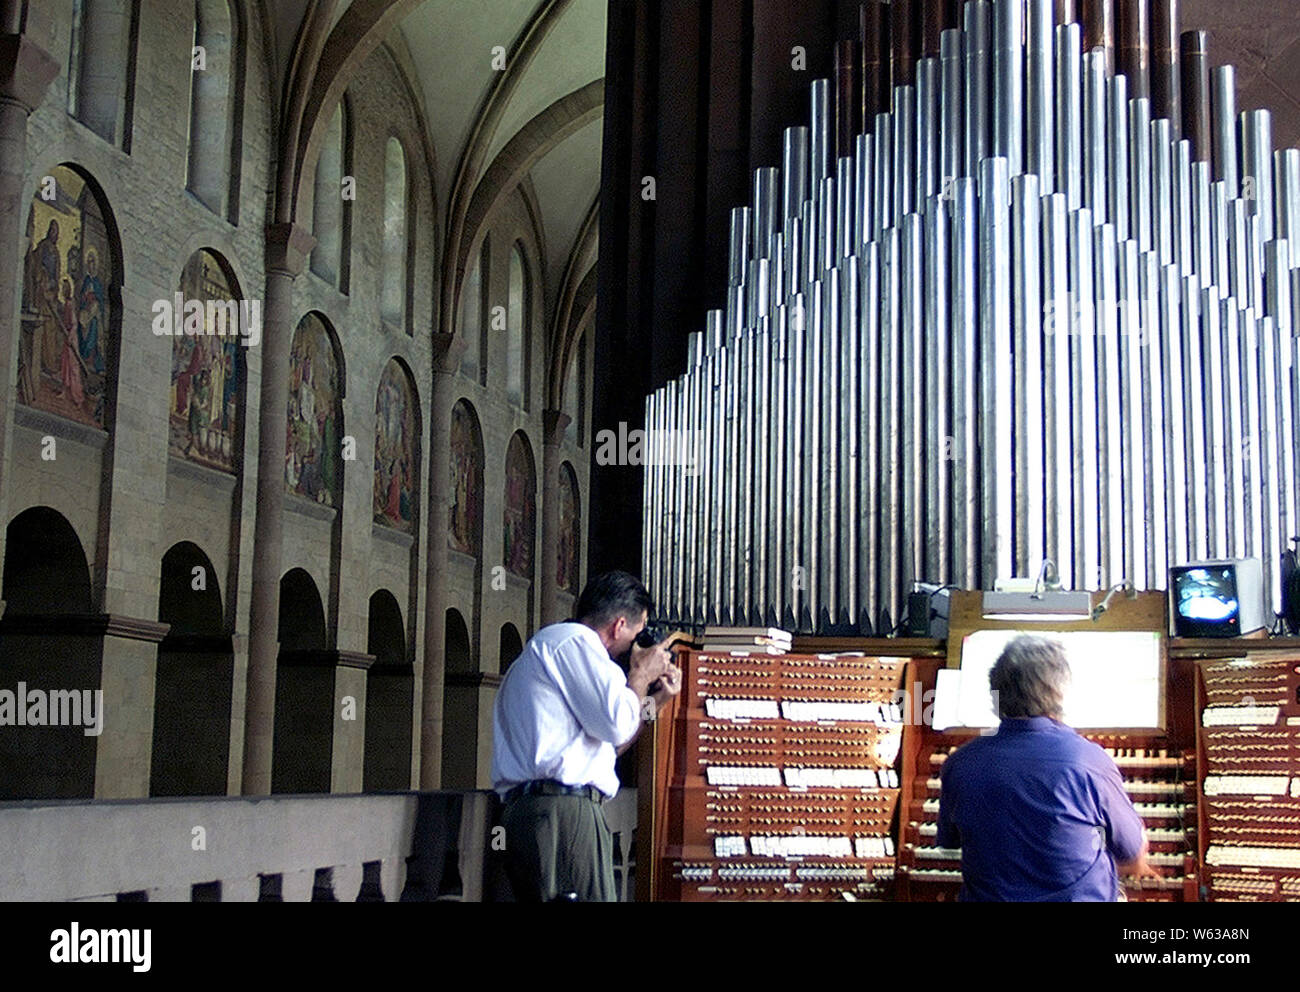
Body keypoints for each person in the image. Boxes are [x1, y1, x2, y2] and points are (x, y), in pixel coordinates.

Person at [491, 569, 682, 901]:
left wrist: (656, 702)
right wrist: (639, 674)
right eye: (639, 632)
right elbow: (617, 723)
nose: (636, 645)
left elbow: (608, 748)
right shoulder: (575, 643)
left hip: (550, 809)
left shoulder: (557, 648)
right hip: (563, 811)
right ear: (619, 625)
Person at [936, 634, 1159, 901]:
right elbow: (1131, 850)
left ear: (996, 694)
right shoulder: (1089, 760)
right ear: (1059, 693)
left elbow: (950, 841)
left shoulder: (960, 763)